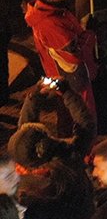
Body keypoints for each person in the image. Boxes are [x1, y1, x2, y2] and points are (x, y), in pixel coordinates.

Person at [7, 83, 95, 219]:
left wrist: (34, 97)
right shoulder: (71, 157)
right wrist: (67, 92)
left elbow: (24, 138)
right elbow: (86, 125)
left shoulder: (23, 182)